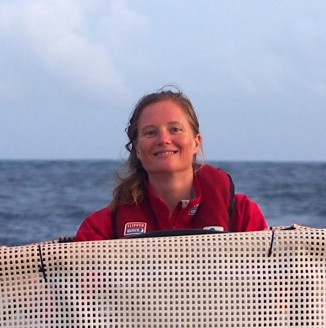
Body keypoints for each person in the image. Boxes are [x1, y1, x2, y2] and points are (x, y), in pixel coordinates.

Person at [74, 87, 268, 241]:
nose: (164, 139)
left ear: (195, 142)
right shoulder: (100, 228)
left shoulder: (243, 215)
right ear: (137, 149)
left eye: (175, 129)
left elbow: (272, 284)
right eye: (150, 132)